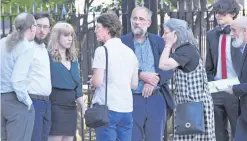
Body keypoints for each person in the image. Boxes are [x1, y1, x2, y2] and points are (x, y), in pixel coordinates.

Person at [121, 7, 174, 141]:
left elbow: (169, 68)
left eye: (141, 19)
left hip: (155, 99)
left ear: (149, 23)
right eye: (134, 18)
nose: (137, 22)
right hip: (132, 99)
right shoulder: (122, 42)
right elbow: (118, 69)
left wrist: (155, 80)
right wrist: (140, 75)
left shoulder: (158, 41)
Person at [159, 18, 216, 140]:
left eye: (166, 32)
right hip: (192, 106)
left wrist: (168, 45)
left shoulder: (186, 50)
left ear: (176, 34)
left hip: (194, 108)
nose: (163, 36)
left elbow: (163, 65)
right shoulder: (187, 49)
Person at [91, 13, 139, 141]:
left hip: (108, 108)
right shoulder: (130, 52)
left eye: (98, 27)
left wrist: (92, 80)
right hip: (127, 108)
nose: (95, 30)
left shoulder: (102, 51)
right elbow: (134, 84)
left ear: (107, 29)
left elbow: (97, 82)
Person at [205, 0, 241, 140]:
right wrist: (209, 84)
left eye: (222, 12)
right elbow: (209, 63)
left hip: (236, 88)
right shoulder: (211, 35)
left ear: (232, 14)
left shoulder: (241, 32)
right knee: (219, 133)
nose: (218, 15)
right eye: (216, 12)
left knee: (239, 130)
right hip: (216, 88)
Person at [1, 12, 37, 141]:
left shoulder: (2, 43)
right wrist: (27, 102)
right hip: (16, 102)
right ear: (32, 27)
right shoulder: (25, 47)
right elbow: (17, 81)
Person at [47, 22, 85, 141]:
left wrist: (83, 106)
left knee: (69, 138)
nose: (70, 39)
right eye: (66, 35)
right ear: (57, 37)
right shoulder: (48, 57)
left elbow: (77, 86)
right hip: (55, 105)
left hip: (71, 106)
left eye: (71, 36)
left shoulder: (73, 59)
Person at [29, 12, 52, 141]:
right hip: (33, 102)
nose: (42, 30)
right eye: (39, 26)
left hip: (46, 103)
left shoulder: (44, 49)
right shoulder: (26, 48)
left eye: (45, 27)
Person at [226, 16, 247, 141]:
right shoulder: (243, 49)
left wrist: (235, 89)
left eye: (234, 30)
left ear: (245, 31)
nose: (231, 34)